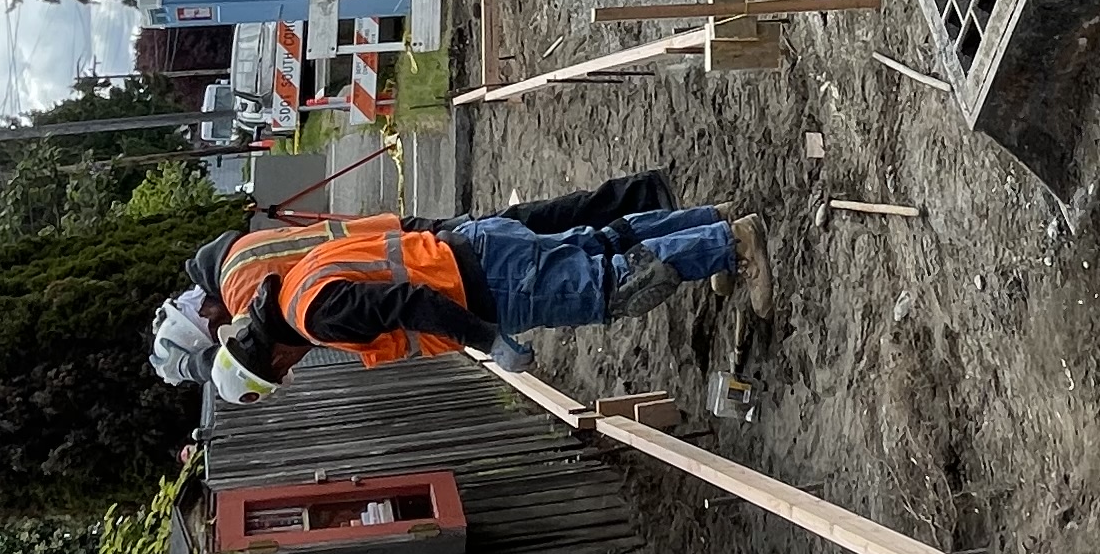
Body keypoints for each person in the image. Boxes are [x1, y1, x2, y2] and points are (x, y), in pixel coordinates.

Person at [148, 171, 763, 406]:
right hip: (465, 244)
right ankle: (708, 225)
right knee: (596, 243)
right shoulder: (289, 282)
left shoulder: (314, 317)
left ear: (272, 360)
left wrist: (488, 340)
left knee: (608, 287)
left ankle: (732, 242)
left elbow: (410, 303)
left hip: (484, 286)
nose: (291, 375)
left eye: (279, 376)